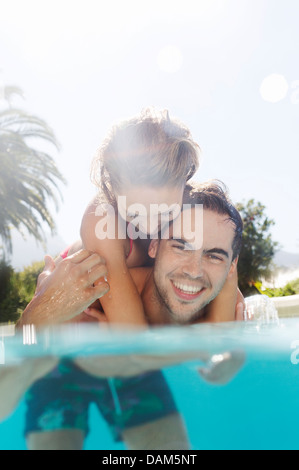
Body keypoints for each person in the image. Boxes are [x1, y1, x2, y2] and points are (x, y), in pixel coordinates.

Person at [15, 181, 245, 450]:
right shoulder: (94, 292)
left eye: (215, 256)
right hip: (65, 367)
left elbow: (223, 344)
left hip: (136, 373)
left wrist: (230, 353)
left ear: (231, 267)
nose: (194, 271)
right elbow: (24, 341)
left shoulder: (219, 299)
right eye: (181, 246)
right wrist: (43, 308)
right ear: (154, 246)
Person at [63, 107, 200, 328]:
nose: (149, 226)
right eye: (134, 213)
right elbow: (132, 335)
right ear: (112, 191)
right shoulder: (102, 219)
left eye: (165, 212)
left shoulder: (195, 208)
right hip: (77, 302)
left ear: (184, 184)